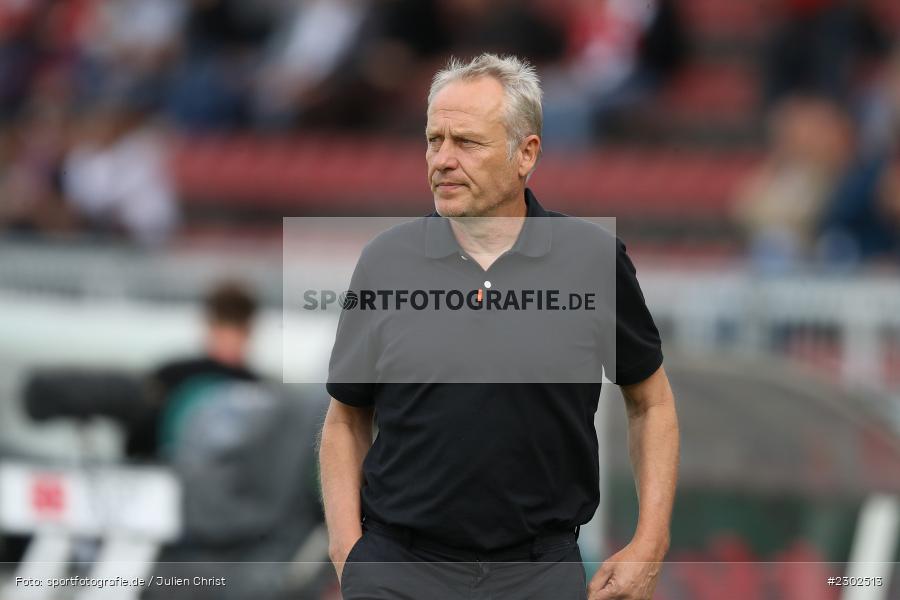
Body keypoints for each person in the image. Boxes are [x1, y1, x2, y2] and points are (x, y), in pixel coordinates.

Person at [318, 53, 679, 600]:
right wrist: (349, 555)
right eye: (433, 139)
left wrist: (650, 543)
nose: (442, 159)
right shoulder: (384, 261)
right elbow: (345, 420)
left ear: (525, 154)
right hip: (397, 566)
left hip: (538, 569)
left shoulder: (593, 260)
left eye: (466, 142)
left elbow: (651, 404)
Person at [125, 279, 261, 459]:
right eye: (225, 330)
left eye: (236, 332)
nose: (231, 341)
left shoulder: (171, 376)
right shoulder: (170, 377)